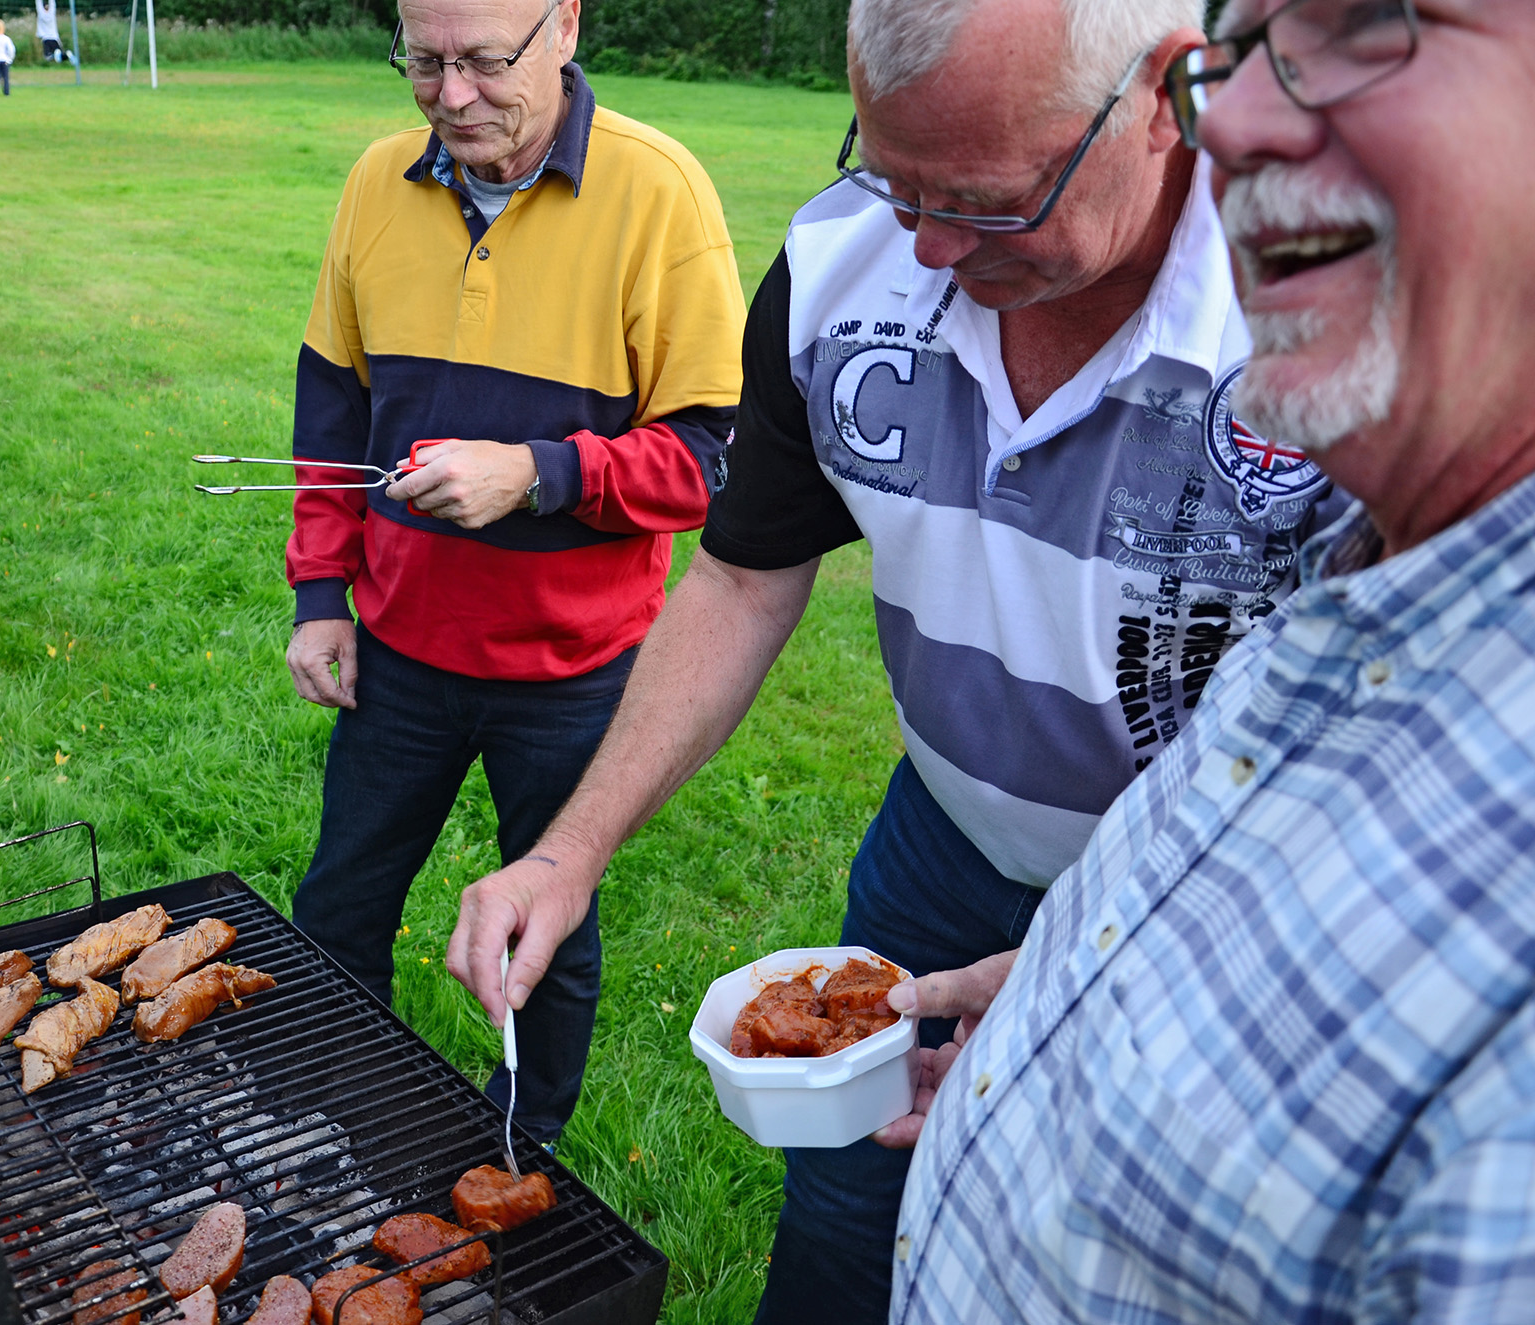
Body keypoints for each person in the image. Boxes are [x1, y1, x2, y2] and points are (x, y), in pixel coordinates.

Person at [444, 0, 1347, 1315]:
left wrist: (1128, 950)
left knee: (1123, 1251)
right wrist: (568, 851)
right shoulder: (837, 269)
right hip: (942, 853)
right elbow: (743, 576)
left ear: (1166, 95)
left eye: (985, 201)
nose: (925, 245)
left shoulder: (1326, 316)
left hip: (1223, 903)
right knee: (847, 1204)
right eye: (889, 175)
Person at [882, 1, 1535, 1319]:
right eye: (1243, 49)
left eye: (1368, 21)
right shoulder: (1370, 580)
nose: (1226, 125)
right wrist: (1084, 997)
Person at [285, 0, 743, 1144]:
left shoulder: (658, 192)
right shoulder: (375, 182)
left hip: (573, 669)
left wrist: (538, 473)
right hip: (399, 648)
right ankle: (333, 1123)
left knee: (547, 928)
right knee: (338, 903)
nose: (451, 97)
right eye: (423, 61)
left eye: (486, 62)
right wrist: (320, 593)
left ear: (563, 28)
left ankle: (520, 1146)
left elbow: (712, 457)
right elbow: (332, 406)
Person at [34, 0, 64, 64]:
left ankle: (54, 56)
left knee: (47, 56)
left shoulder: (41, 14)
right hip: (54, 38)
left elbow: (38, 4)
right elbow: (52, 4)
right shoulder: (51, 14)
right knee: (60, 55)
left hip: (46, 39)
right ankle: (67, 55)